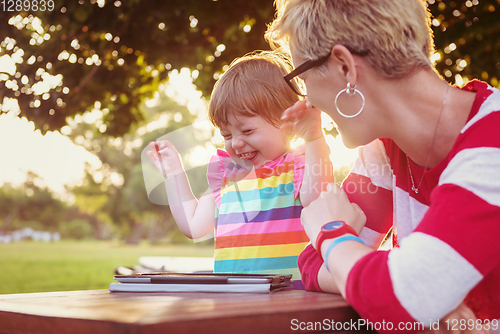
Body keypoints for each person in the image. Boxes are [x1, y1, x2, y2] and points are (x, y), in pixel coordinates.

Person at [266, 0, 500, 330]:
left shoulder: (493, 143)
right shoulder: (385, 150)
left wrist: (332, 233)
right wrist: (410, 285)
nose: (306, 100)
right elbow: (312, 261)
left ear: (344, 67)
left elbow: (399, 295)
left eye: (300, 77)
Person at [147, 51, 334, 288]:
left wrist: (314, 135)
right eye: (227, 134)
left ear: (289, 124)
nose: (235, 142)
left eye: (247, 131)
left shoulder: (299, 164)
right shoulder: (229, 178)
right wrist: (174, 173)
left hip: (290, 299)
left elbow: (318, 198)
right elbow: (193, 226)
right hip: (233, 299)